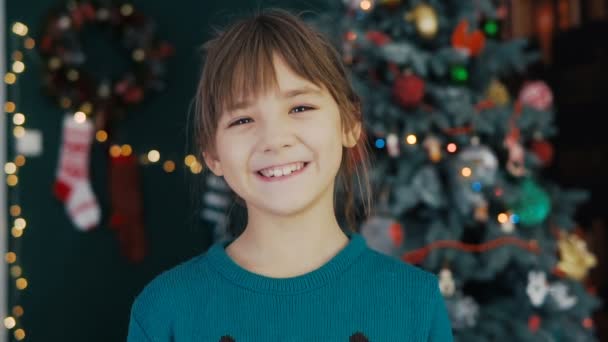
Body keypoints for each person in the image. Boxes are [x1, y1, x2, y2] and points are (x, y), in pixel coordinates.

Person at [127, 8, 453, 341]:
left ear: (350, 123)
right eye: (242, 120)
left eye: (300, 108)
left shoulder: (415, 302)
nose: (274, 139)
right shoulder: (164, 311)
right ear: (212, 154)